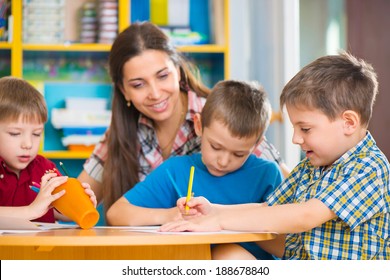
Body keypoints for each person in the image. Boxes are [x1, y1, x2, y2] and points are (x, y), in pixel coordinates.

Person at [160, 52, 390, 260]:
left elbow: (306, 215)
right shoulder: (312, 166)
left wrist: (219, 221)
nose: (296, 139)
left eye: (305, 129)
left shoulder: (368, 167)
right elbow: (268, 208)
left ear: (348, 123)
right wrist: (214, 211)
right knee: (225, 254)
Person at [77, 21, 290, 217]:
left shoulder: (219, 117)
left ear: (178, 72)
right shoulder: (122, 132)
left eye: (162, 76)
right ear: (124, 91)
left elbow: (292, 193)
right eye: (138, 84)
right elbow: (77, 205)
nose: (155, 93)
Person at [107, 79, 283, 259]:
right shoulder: (176, 170)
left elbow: (284, 247)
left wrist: (230, 223)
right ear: (199, 126)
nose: (223, 161)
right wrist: (169, 215)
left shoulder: (267, 175)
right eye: (215, 147)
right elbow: (116, 214)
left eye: (238, 154)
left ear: (257, 145)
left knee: (229, 254)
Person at [0, 76, 97, 223]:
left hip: (41, 246)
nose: (28, 144)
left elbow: (59, 212)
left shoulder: (45, 169)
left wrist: (81, 206)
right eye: (15, 133)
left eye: (36, 134)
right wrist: (30, 211)